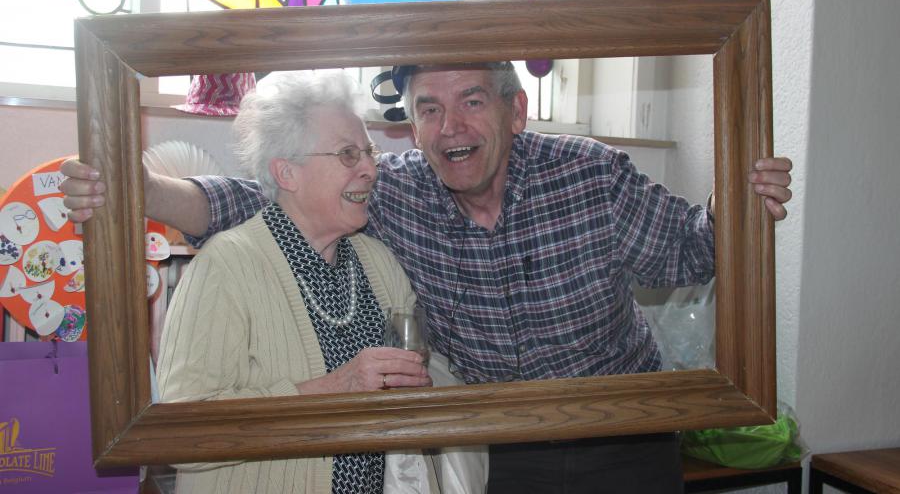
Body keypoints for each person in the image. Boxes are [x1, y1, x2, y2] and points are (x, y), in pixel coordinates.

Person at [62, 62, 792, 494]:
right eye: (429, 110)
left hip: (621, 441)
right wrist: (139, 194)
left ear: (516, 109)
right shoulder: (394, 191)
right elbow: (263, 202)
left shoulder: (591, 173)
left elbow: (693, 251)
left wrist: (737, 207)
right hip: (494, 453)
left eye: (472, 101)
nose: (451, 129)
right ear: (411, 126)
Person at [153, 69, 485, 494]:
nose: (369, 169)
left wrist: (421, 378)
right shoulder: (224, 268)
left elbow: (417, 374)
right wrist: (334, 388)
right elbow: (180, 436)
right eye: (348, 155)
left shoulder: (379, 263)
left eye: (369, 152)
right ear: (287, 173)